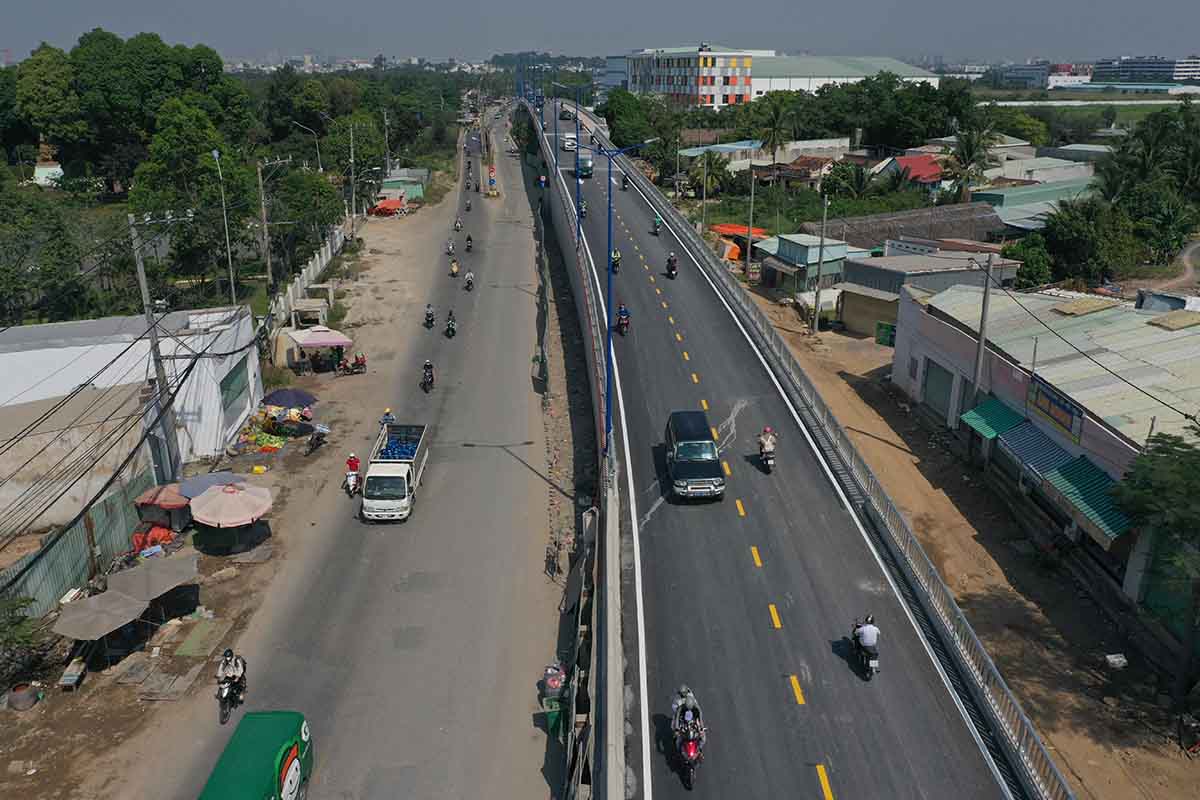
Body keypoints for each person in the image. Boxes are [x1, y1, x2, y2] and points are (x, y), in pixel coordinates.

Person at [670, 685, 706, 749]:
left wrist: (701, 728)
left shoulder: (692, 700)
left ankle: (699, 748)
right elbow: (677, 716)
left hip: (692, 717)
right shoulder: (678, 702)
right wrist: (676, 729)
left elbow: (700, 715)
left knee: (703, 738)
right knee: (675, 733)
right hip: (682, 717)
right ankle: (676, 747)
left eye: (685, 692)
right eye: (682, 693)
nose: (683, 694)